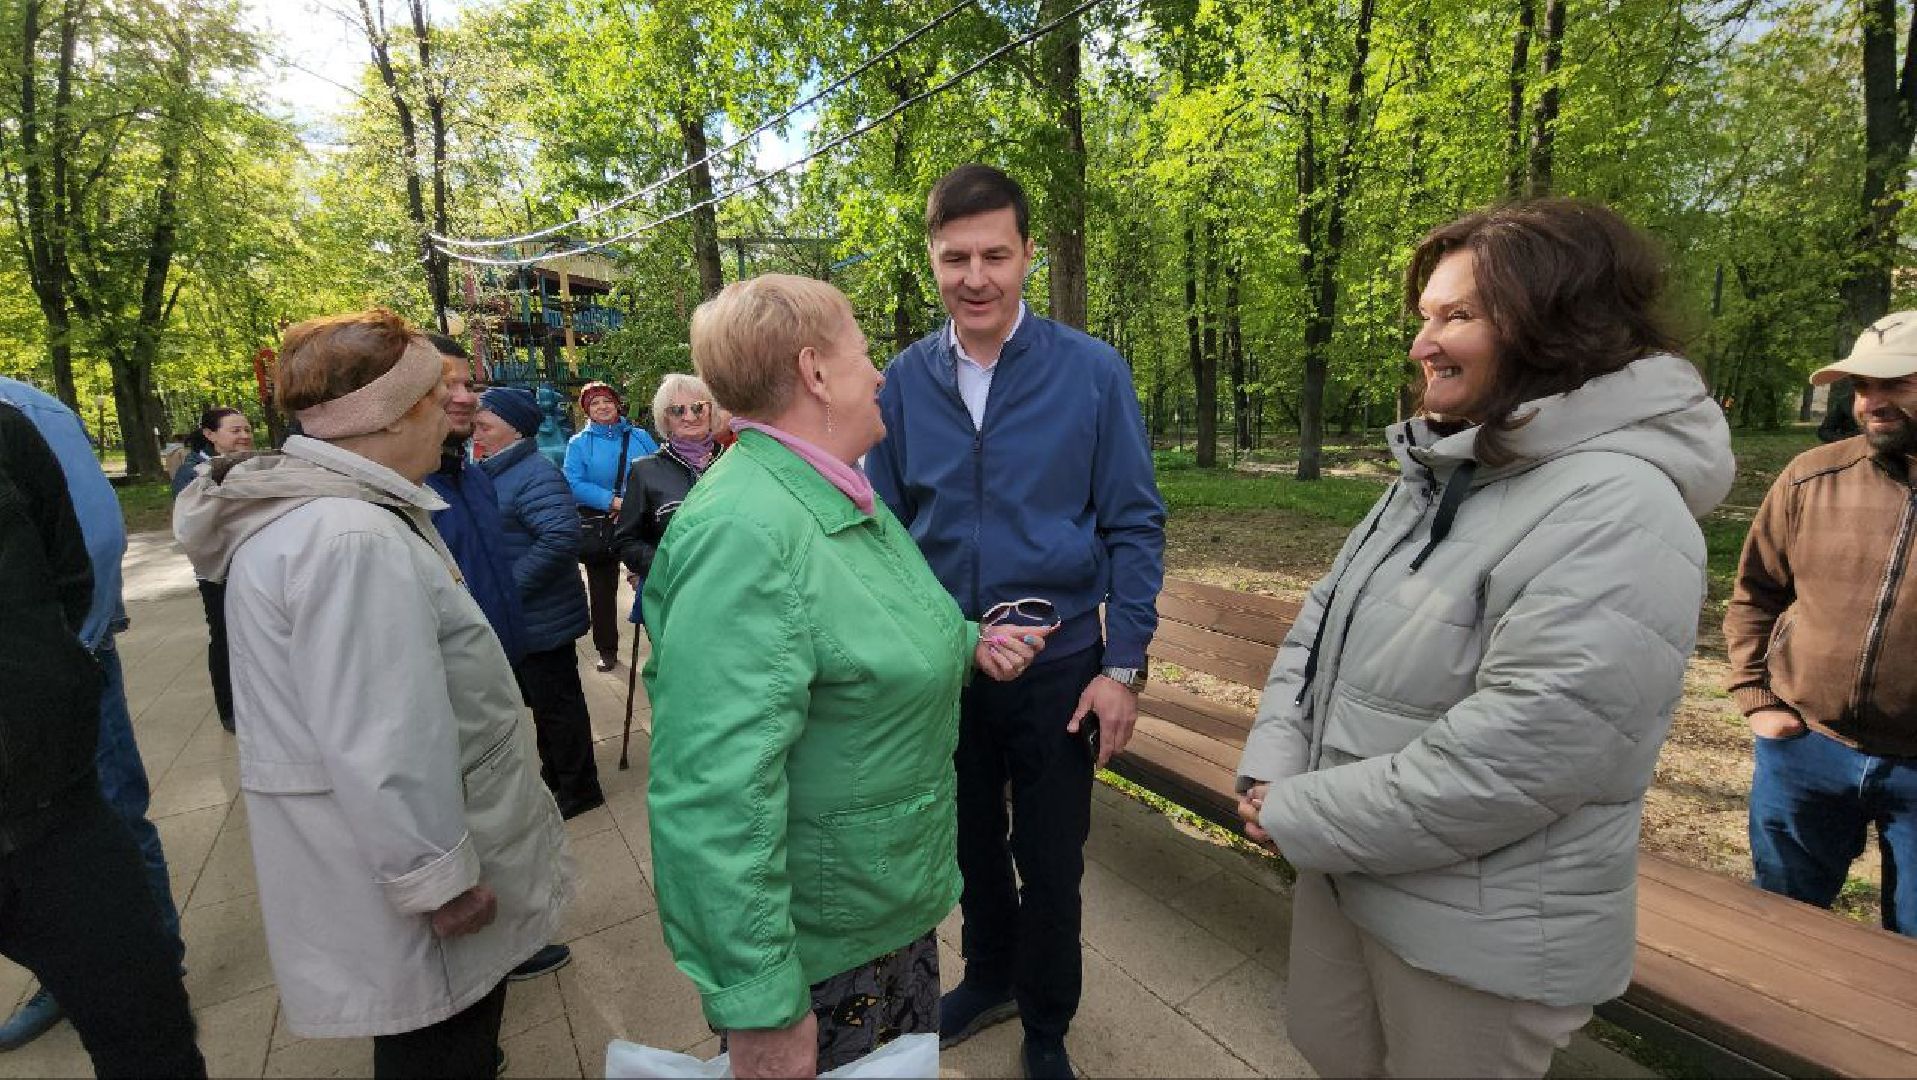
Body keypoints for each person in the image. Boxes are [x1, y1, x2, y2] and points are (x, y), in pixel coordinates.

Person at [1232, 199, 1734, 1079]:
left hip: (1475, 930)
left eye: (1456, 316)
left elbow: (1522, 755)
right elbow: (1322, 621)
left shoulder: (1619, 508)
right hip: (1350, 869)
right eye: (1424, 316)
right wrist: (1273, 763)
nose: (1422, 344)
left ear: (1556, 325)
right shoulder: (1445, 466)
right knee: (1330, 1052)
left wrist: (1300, 813)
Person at [644, 274, 1050, 1079]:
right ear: (815, 373)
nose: (880, 375)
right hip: (824, 952)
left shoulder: (831, 489)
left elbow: (855, 619)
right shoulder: (746, 529)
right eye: (863, 353)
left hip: (878, 906)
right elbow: (711, 790)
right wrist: (758, 1002)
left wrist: (967, 640)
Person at [173, 310, 573, 1078]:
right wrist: (439, 880)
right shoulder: (347, 538)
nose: (455, 413)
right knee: (439, 1050)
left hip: (382, 857)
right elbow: (383, 733)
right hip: (414, 886)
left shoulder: (342, 517)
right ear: (392, 413)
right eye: (437, 397)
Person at [863, 164, 1165, 1079]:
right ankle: (988, 975)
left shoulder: (1091, 370)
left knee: (1049, 857)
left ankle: (1045, 1021)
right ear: (931, 260)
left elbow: (1133, 522)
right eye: (955, 256)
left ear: (1028, 255)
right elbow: (881, 531)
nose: (976, 276)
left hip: (1061, 666)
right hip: (948, 665)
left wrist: (1124, 666)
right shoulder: (903, 382)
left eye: (996, 253)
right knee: (966, 845)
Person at [0, 397, 205, 1078]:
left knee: (147, 1028)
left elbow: (78, 558)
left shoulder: (14, 421)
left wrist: (61, 679)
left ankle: (129, 960)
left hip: (55, 806)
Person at [1726, 312, 1917, 936]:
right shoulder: (1813, 478)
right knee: (1782, 932)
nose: (1873, 402)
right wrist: (1757, 698)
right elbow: (1756, 592)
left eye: (1896, 383)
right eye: (1863, 385)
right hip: (1807, 750)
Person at [421, 336, 570, 983]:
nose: (464, 401)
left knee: (509, 808)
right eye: (445, 387)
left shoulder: (469, 478)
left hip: (503, 663)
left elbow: (539, 544)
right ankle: (493, 951)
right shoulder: (418, 487)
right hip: (454, 686)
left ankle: (514, 935)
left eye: (470, 390)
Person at [474, 386, 606, 820]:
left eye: (484, 423)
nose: (476, 430)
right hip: (528, 616)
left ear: (513, 430)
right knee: (547, 706)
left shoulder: (534, 473)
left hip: (542, 615)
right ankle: (559, 777)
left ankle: (580, 788)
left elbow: (559, 538)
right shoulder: (494, 470)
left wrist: (507, 590)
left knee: (559, 706)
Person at [171, 406, 255, 734]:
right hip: (217, 571)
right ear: (210, 435)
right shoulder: (194, 471)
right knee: (223, 635)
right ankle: (230, 710)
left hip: (248, 565)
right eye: (235, 430)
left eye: (246, 429)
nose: (244, 435)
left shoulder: (254, 463)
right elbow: (191, 525)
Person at [564, 380, 657, 671]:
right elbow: (572, 482)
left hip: (640, 521)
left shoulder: (640, 436)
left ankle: (661, 641)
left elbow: (656, 470)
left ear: (617, 403)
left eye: (607, 400)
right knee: (602, 591)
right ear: (587, 410)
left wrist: (634, 506)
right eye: (594, 403)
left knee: (651, 582)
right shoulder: (579, 443)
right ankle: (606, 649)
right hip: (602, 523)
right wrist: (612, 502)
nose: (602, 406)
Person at [613, 373, 727, 593]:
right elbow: (626, 541)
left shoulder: (735, 462)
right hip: (675, 592)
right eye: (677, 410)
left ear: (710, 410)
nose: (689, 417)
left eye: (697, 407)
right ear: (665, 419)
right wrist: (666, 566)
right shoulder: (645, 471)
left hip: (734, 591)